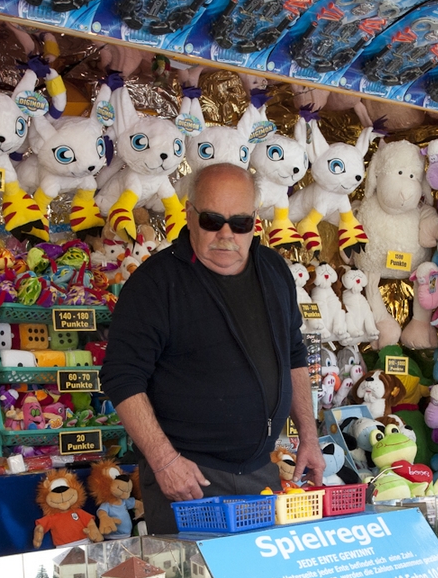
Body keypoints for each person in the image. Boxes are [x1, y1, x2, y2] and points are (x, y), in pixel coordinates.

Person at [101, 163, 324, 534]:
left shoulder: (273, 269)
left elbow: (294, 355)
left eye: (239, 224)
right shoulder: (155, 283)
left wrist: (309, 437)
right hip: (188, 480)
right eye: (211, 220)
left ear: (255, 222)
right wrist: (164, 461)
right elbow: (122, 377)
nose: (226, 235)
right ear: (189, 216)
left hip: (260, 470)